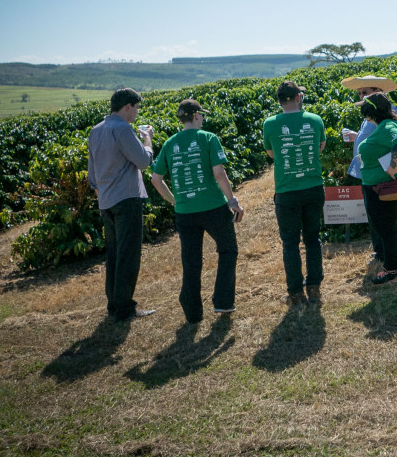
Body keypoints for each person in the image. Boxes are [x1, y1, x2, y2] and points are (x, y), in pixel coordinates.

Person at [150, 99, 244, 323]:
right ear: (195, 116)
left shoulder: (170, 143)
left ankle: (192, 311)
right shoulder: (209, 138)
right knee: (228, 249)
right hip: (213, 207)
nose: (203, 118)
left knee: (191, 260)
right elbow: (219, 174)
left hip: (185, 212)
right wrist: (233, 201)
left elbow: (156, 179)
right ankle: (222, 302)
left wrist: (175, 201)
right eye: (201, 115)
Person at [87, 88, 157, 321]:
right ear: (128, 106)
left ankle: (114, 306)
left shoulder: (96, 131)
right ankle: (125, 308)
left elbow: (92, 175)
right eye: (136, 107)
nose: (137, 112)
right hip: (126, 199)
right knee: (128, 255)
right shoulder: (123, 129)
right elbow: (143, 161)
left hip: (105, 201)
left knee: (114, 254)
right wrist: (147, 140)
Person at [263, 81, 326, 307]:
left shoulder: (269, 124)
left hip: (286, 191)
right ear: (299, 97)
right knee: (312, 238)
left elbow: (271, 154)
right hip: (313, 188)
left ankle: (296, 293)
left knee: (290, 242)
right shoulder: (315, 120)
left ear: (280, 100)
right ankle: (315, 288)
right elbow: (321, 146)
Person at [340, 75, 397, 267]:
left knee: (381, 217)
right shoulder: (370, 114)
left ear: (378, 92)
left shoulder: (389, 112)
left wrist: (393, 165)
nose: (362, 96)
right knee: (374, 214)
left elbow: (396, 139)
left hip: (380, 173)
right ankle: (381, 251)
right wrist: (355, 138)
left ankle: (393, 255)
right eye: (360, 93)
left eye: (365, 92)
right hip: (369, 171)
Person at [357, 92, 397, 285]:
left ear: (372, 111)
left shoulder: (388, 126)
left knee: (386, 227)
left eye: (364, 106)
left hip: (384, 186)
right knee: (383, 225)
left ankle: (392, 270)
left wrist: (395, 164)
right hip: (375, 184)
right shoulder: (380, 126)